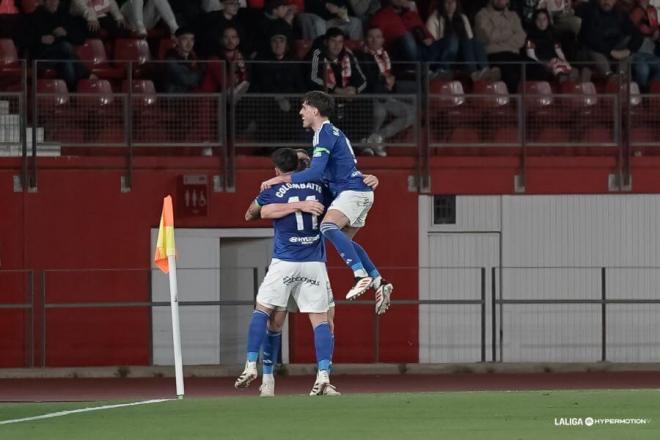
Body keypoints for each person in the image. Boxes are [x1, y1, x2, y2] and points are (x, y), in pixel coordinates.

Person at [260, 91, 394, 312]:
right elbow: (332, 169)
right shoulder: (327, 133)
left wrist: (281, 178)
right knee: (343, 240)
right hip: (355, 192)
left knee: (327, 226)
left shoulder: (324, 133)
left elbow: (315, 173)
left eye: (303, 107)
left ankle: (360, 275)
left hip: (353, 192)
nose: (301, 112)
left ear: (314, 109)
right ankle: (379, 281)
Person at [237, 147, 339, 397]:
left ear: (276, 169)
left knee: (268, 316)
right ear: (303, 164)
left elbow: (251, 213)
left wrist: (282, 200)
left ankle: (262, 374)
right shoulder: (320, 187)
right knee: (324, 320)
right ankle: (323, 377)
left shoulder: (272, 190)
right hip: (314, 263)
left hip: (284, 262)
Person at [356, 26, 416, 156]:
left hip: (387, 95)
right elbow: (367, 79)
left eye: (377, 37)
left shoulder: (387, 55)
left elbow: (396, 73)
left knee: (412, 112)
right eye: (371, 37)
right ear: (365, 39)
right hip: (371, 96)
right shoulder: (360, 56)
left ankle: (376, 138)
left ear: (383, 40)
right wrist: (385, 81)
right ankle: (373, 143)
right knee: (380, 112)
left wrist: (393, 80)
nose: (374, 40)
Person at [426, 0, 500, 81]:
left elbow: (470, 39)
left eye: (453, 2)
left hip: (463, 54)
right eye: (447, 2)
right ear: (442, 4)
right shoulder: (434, 19)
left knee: (475, 42)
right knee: (456, 40)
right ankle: (473, 72)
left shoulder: (463, 18)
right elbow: (434, 46)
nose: (450, 5)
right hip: (447, 56)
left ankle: (485, 70)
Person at [31, 0, 90, 91]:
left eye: (56, 0)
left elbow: (80, 39)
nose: (54, 2)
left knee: (66, 62)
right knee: (65, 46)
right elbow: (23, 39)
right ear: (44, 2)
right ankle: (87, 75)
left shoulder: (64, 15)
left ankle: (71, 94)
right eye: (50, 1)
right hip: (42, 57)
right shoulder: (35, 16)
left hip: (61, 57)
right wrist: (40, 39)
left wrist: (66, 33)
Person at [525, 9, 577, 81]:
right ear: (535, 21)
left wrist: (564, 61)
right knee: (561, 75)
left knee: (574, 72)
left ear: (548, 21)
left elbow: (559, 51)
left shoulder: (553, 34)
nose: (542, 22)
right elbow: (531, 57)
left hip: (555, 62)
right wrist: (545, 64)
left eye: (544, 19)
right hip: (540, 65)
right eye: (539, 19)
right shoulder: (530, 38)